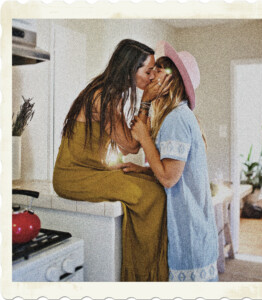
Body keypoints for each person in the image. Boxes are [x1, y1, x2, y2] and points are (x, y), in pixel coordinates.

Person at [53, 39, 172, 281]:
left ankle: (150, 269)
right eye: (148, 71)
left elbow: (127, 145)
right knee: (151, 195)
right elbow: (130, 145)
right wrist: (146, 101)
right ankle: (142, 273)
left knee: (152, 183)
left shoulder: (108, 92)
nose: (151, 77)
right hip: (72, 176)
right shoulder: (103, 96)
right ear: (130, 69)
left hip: (91, 170)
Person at [119, 41, 219, 282]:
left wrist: (143, 137)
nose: (153, 73)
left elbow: (168, 178)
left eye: (162, 69)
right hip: (197, 232)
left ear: (174, 81)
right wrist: (141, 170)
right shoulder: (180, 115)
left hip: (190, 234)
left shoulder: (175, 119)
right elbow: (174, 171)